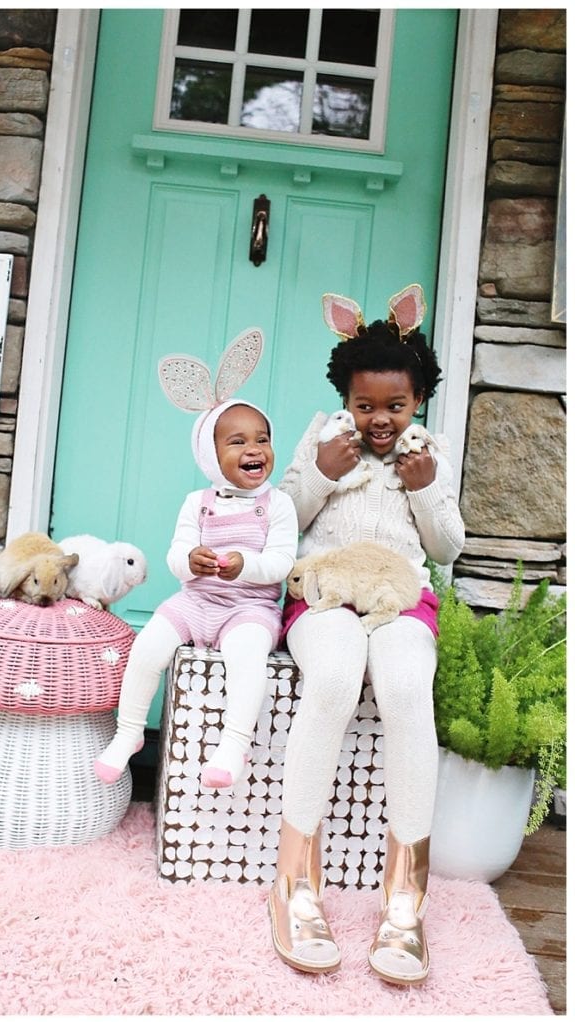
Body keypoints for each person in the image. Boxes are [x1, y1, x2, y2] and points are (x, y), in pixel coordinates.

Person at [268, 285, 465, 984]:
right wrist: (321, 476)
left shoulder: (429, 452)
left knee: (409, 685)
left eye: (396, 406)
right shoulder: (323, 437)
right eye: (365, 405)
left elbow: (445, 548)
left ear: (419, 402)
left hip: (400, 598)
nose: (379, 420)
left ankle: (405, 897)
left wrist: (422, 486)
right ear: (345, 398)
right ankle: (295, 884)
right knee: (332, 676)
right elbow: (283, 516)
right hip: (325, 592)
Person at [95, 331, 298, 789]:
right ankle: (128, 733)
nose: (254, 450)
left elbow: (282, 562)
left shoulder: (277, 505)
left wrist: (247, 564)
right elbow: (175, 555)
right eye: (237, 442)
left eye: (262, 440)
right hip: (196, 602)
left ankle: (233, 744)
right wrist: (192, 560)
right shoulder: (197, 501)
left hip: (249, 610)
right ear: (211, 455)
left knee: (248, 660)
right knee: (146, 647)